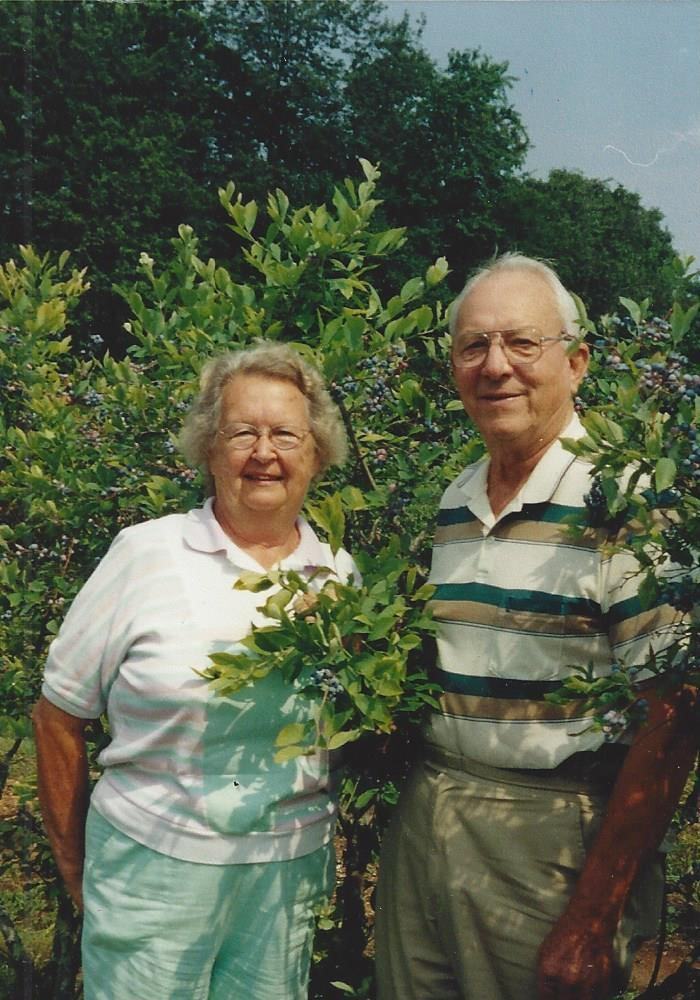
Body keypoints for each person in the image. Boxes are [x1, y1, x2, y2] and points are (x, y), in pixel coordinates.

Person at [374, 254, 698, 1000]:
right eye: (473, 347)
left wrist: (594, 914)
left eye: (523, 344)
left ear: (577, 361)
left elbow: (673, 717)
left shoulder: (628, 502)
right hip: (430, 815)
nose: (496, 367)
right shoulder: (455, 499)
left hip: (549, 842)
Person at [33, 342, 358, 1000]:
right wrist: (76, 866)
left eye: (285, 435)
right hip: (150, 875)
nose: (263, 453)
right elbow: (58, 716)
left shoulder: (340, 580)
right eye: (242, 432)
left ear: (317, 455)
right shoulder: (146, 554)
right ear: (209, 450)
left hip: (281, 882)